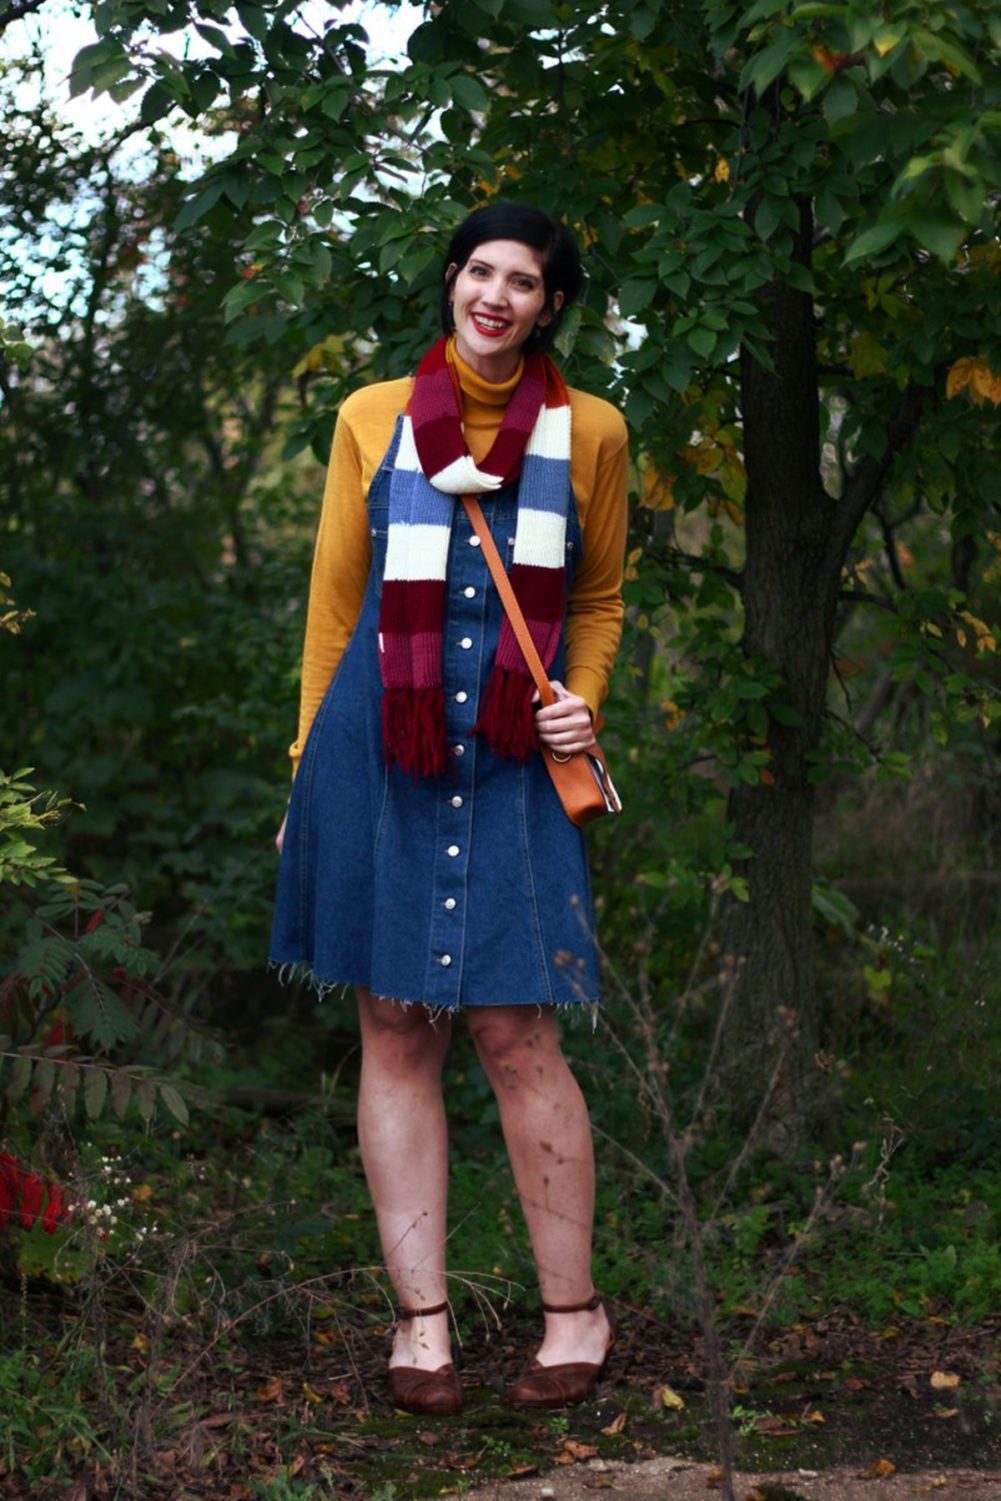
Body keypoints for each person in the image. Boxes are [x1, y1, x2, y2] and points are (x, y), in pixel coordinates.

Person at [270, 203, 629, 1416]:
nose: (494, 296)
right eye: (479, 271)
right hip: (383, 749)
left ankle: (572, 1313)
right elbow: (334, 606)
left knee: (516, 1033)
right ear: (450, 281)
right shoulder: (371, 416)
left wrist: (580, 701)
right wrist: (299, 774)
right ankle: (421, 1328)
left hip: (517, 757)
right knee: (396, 1030)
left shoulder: (592, 434)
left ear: (548, 307)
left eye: (522, 282)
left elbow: (601, 599)